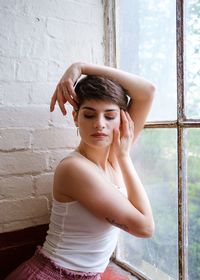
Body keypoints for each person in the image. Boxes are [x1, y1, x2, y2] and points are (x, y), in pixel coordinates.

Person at [5, 62, 155, 280]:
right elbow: (145, 228)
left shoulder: (113, 157)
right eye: (89, 115)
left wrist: (81, 67)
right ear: (76, 117)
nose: (100, 124)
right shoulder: (74, 169)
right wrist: (125, 157)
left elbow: (147, 92)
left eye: (110, 116)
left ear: (122, 120)